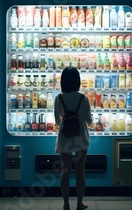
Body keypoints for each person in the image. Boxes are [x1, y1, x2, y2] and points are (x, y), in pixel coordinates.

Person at [54, 67, 92, 210]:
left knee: (65, 172)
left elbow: (57, 121)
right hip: (81, 138)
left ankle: (66, 204)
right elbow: (88, 120)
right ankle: (79, 203)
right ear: (78, 81)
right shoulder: (84, 98)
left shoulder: (59, 98)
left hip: (64, 138)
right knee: (80, 172)